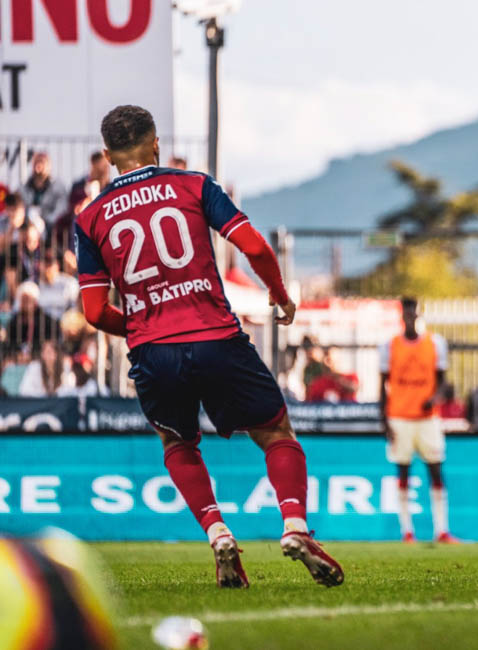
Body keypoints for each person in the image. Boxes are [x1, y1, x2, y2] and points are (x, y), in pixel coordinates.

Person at [74, 105, 342, 588]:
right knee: (276, 432)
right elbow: (254, 247)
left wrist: (141, 327)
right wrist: (280, 295)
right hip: (216, 336)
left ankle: (218, 533)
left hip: (153, 351)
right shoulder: (194, 185)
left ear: (108, 156)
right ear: (156, 144)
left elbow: (93, 311)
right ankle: (294, 526)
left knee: (177, 442)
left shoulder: (90, 217)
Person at [379, 297, 458, 544]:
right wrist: (384, 421)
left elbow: (443, 382)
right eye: (407, 313)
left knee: (436, 469)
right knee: (402, 471)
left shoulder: (435, 344)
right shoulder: (389, 346)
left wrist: (434, 399)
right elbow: (382, 386)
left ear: (418, 315)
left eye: (413, 313)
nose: (410, 318)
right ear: (402, 316)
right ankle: (407, 532)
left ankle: (442, 530)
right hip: (399, 416)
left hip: (427, 418)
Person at [5, 281, 60, 353]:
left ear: (35, 301)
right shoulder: (13, 323)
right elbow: (10, 346)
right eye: (23, 300)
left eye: (28, 300)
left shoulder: (48, 322)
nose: (25, 303)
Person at [21, 152, 68, 228]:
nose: (38, 166)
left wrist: (45, 222)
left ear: (49, 166)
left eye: (42, 162)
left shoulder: (58, 186)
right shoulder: (24, 187)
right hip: (28, 227)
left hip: (50, 227)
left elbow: (61, 210)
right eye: (36, 162)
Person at [38, 254, 79, 320]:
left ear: (57, 265)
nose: (47, 268)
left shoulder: (69, 282)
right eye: (45, 264)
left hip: (65, 322)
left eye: (50, 264)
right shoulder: (34, 284)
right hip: (42, 322)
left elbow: (76, 307)